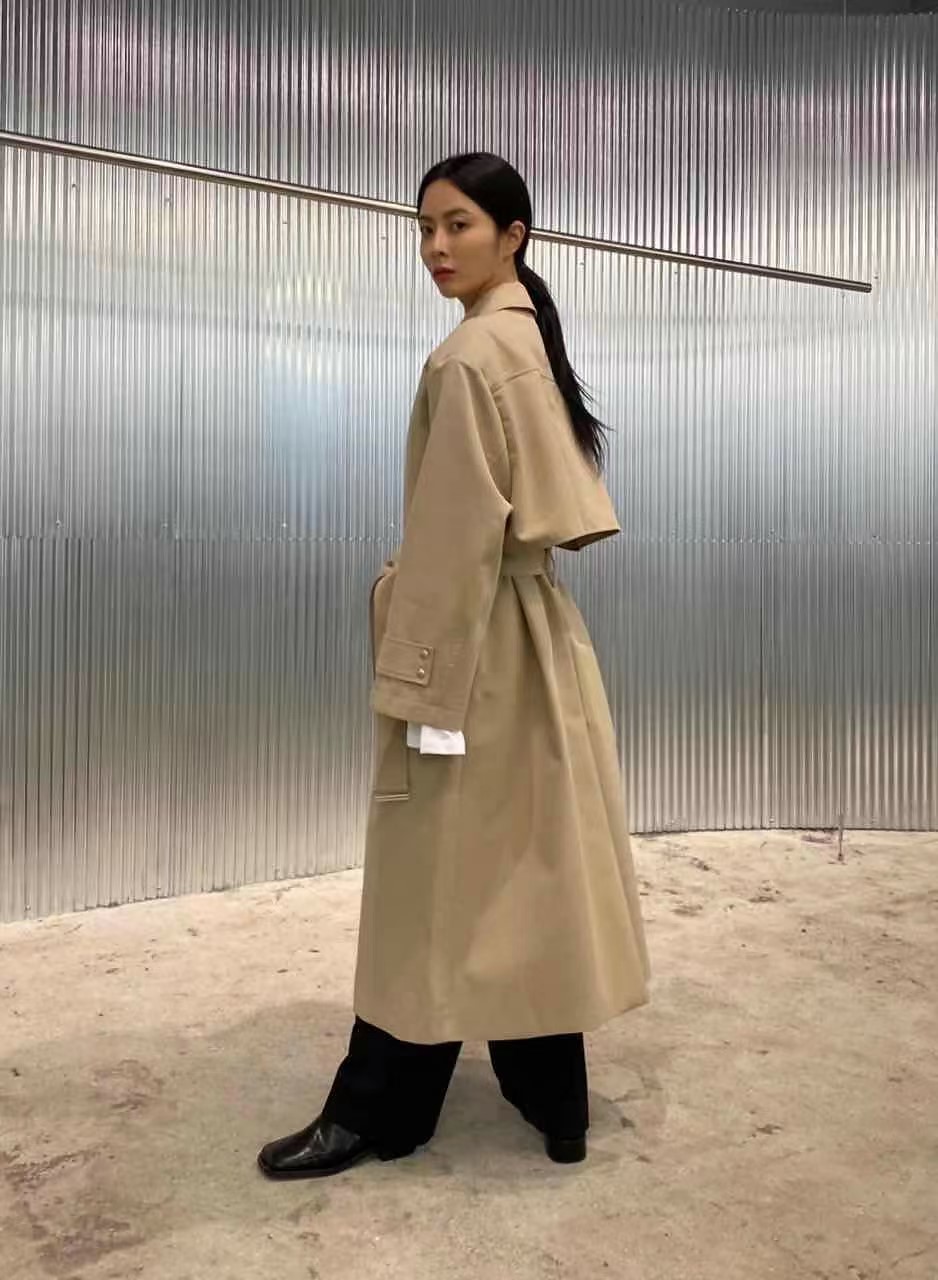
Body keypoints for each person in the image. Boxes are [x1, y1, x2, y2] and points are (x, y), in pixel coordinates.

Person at [258, 153, 650, 1180]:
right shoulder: (523, 341)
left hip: (471, 653)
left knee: (426, 876)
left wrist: (413, 686)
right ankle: (553, 1100)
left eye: (458, 225)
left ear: (513, 234)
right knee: (528, 870)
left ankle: (379, 1109)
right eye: (424, 227)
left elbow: (450, 543)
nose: (435, 246)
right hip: (533, 644)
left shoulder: (469, 355)